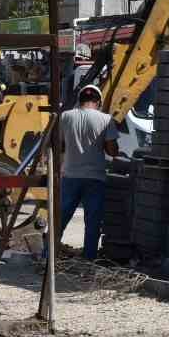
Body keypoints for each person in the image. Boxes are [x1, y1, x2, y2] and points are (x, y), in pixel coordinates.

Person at [56, 83, 119, 260]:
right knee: (92, 223)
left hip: (70, 175)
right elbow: (112, 151)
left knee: (60, 220)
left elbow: (59, 145)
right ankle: (88, 261)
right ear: (98, 101)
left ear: (80, 100)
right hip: (95, 178)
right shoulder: (106, 119)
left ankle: (48, 255)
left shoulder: (65, 117)